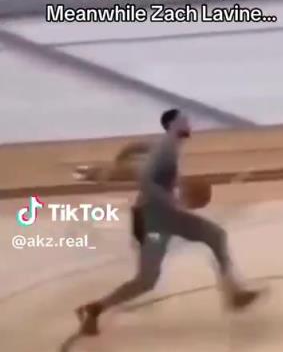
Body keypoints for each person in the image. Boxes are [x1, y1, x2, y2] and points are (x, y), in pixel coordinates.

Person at [76, 109, 261, 335]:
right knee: (146, 281)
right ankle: (94, 309)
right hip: (151, 223)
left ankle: (234, 293)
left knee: (215, 235)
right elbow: (136, 168)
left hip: (166, 218)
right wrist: (100, 170)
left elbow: (139, 150)